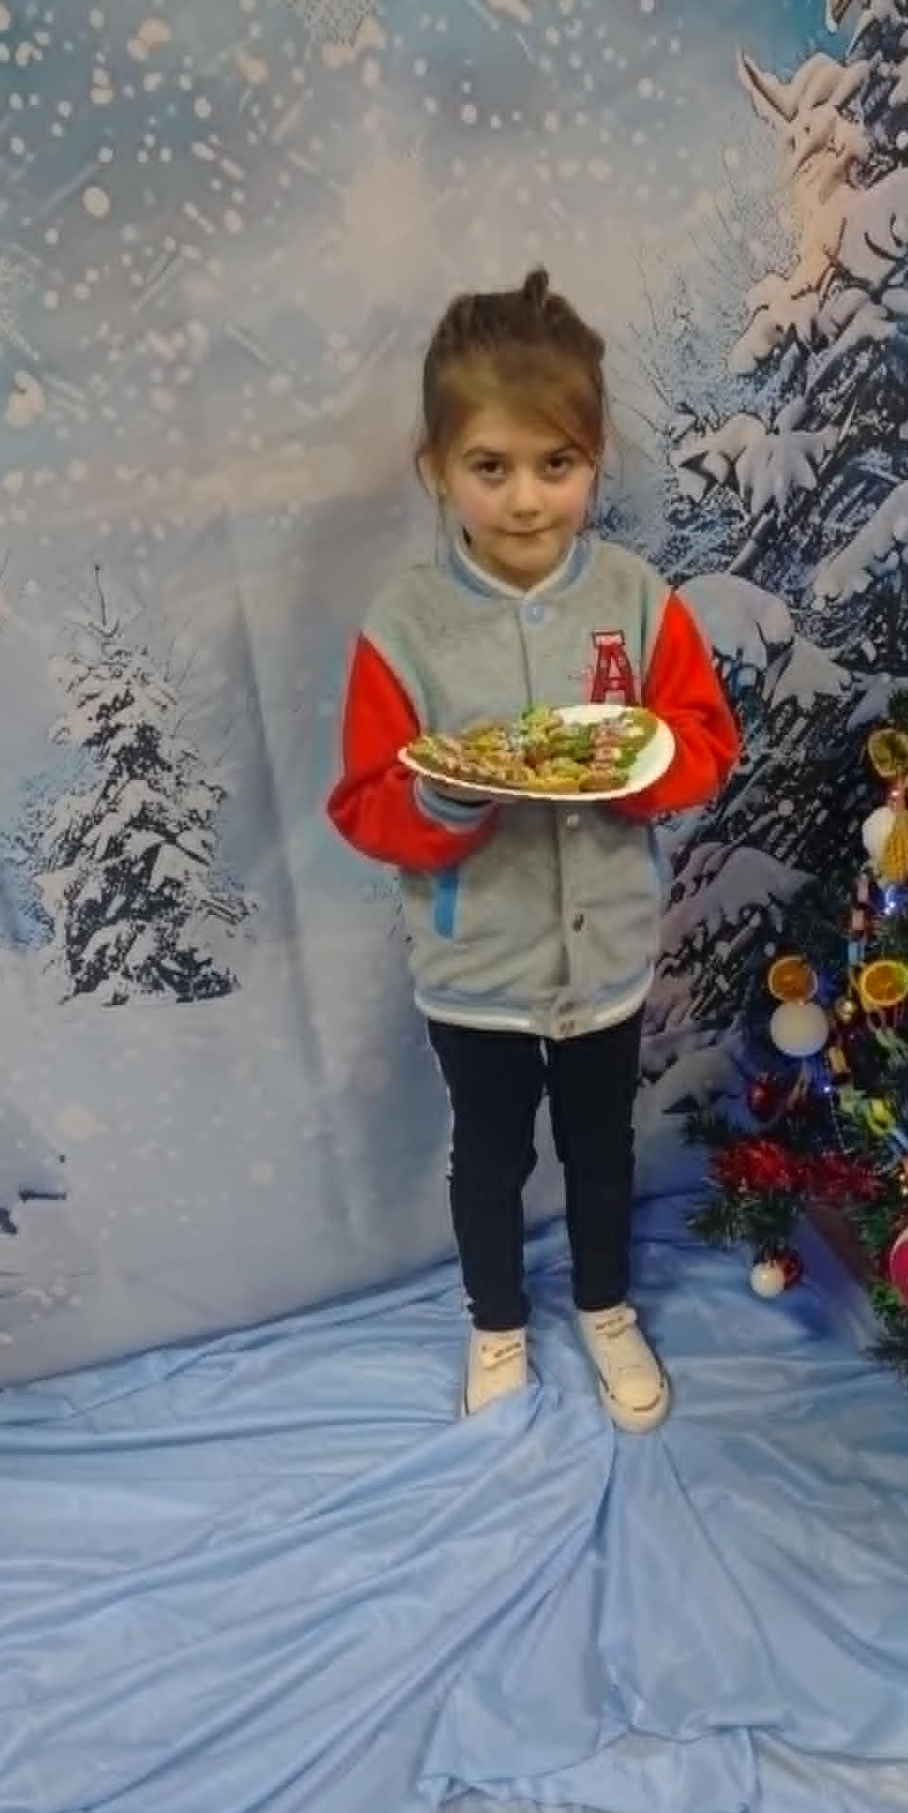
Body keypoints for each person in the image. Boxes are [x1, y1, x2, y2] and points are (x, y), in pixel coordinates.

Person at [327, 268, 739, 1431]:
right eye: (489, 467)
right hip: (475, 969)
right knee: (490, 1159)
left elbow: (705, 740)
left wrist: (640, 765)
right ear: (435, 467)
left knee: (602, 1152)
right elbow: (363, 803)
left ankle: (605, 1307)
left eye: (555, 464)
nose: (523, 500)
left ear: (595, 458)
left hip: (605, 956)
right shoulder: (404, 626)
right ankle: (496, 1323)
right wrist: (447, 795)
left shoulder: (637, 599)